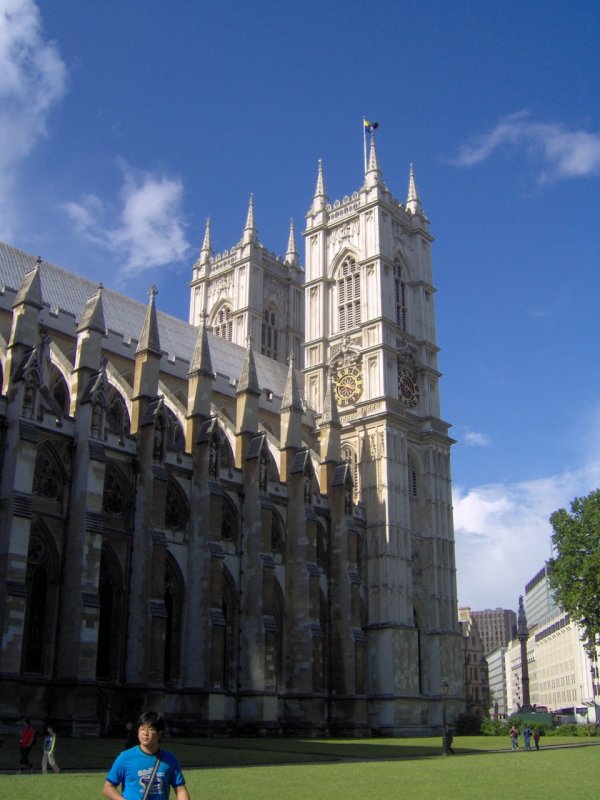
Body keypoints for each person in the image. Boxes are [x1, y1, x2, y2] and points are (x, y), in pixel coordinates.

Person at [103, 710, 190, 799]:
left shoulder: (169, 759)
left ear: (159, 734)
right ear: (138, 732)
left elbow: (180, 790)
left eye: (150, 729)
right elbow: (108, 787)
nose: (145, 733)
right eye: (142, 729)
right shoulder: (125, 757)